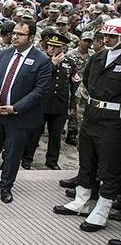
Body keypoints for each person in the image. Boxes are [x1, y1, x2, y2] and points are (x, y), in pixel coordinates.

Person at [0, 20, 51, 204]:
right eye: (14, 33)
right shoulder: (4, 54)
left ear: (31, 37)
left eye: (20, 34)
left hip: (19, 116)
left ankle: (5, 185)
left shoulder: (42, 60)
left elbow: (40, 90)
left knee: (12, 153)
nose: (15, 37)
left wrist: (15, 108)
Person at [53, 18, 121, 232]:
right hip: (92, 113)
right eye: (106, 35)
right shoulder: (98, 57)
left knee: (109, 165)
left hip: (114, 118)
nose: (107, 40)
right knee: (86, 158)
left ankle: (102, 211)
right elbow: (88, 81)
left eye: (113, 36)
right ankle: (81, 200)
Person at [22, 32, 74, 170]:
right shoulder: (41, 60)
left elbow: (72, 84)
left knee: (55, 136)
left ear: (62, 48)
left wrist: (72, 104)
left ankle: (52, 160)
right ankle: (27, 158)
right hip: (42, 103)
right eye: (50, 45)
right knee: (35, 133)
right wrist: (52, 65)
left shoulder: (69, 63)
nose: (52, 48)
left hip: (59, 104)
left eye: (55, 46)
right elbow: (34, 78)